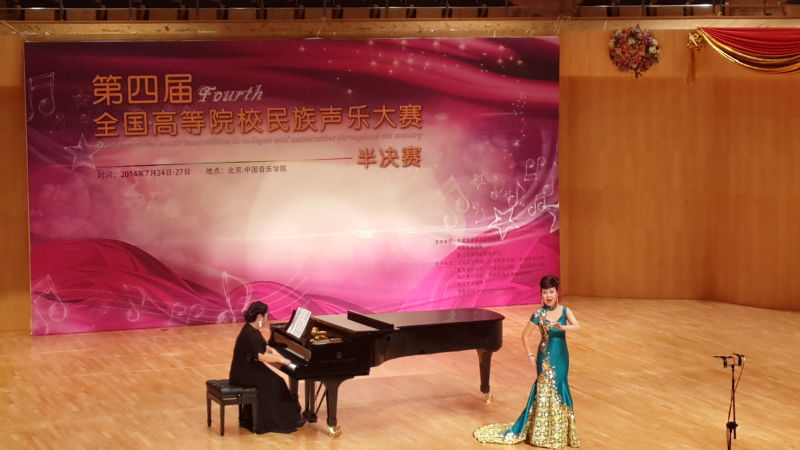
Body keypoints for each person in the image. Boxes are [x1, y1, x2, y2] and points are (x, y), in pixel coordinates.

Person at [473, 275, 581, 448]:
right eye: (545, 292)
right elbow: (525, 335)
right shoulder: (539, 314)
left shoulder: (564, 311)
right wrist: (530, 355)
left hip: (562, 356)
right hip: (545, 357)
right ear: (541, 294)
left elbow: (577, 326)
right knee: (544, 390)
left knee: (561, 386)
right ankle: (541, 433)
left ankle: (559, 432)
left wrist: (563, 327)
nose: (548, 296)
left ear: (557, 292)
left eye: (551, 292)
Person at [229, 301, 304, 434]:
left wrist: (273, 351)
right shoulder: (251, 334)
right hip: (244, 373)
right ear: (259, 317)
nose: (266, 319)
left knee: (276, 381)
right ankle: (282, 420)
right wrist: (281, 360)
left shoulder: (251, 329)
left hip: (246, 368)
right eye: (266, 316)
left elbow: (263, 347)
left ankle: (287, 416)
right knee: (276, 382)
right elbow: (261, 356)